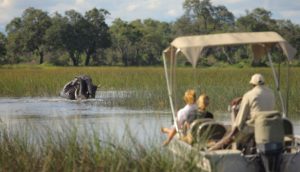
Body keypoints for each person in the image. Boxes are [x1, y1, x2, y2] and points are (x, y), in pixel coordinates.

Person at [209, 73, 275, 151]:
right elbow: (260, 99)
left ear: (252, 84)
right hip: (267, 127)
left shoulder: (248, 95)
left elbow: (239, 121)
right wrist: (242, 98)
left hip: (253, 128)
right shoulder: (271, 93)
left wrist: (233, 132)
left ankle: (213, 149)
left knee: (231, 133)